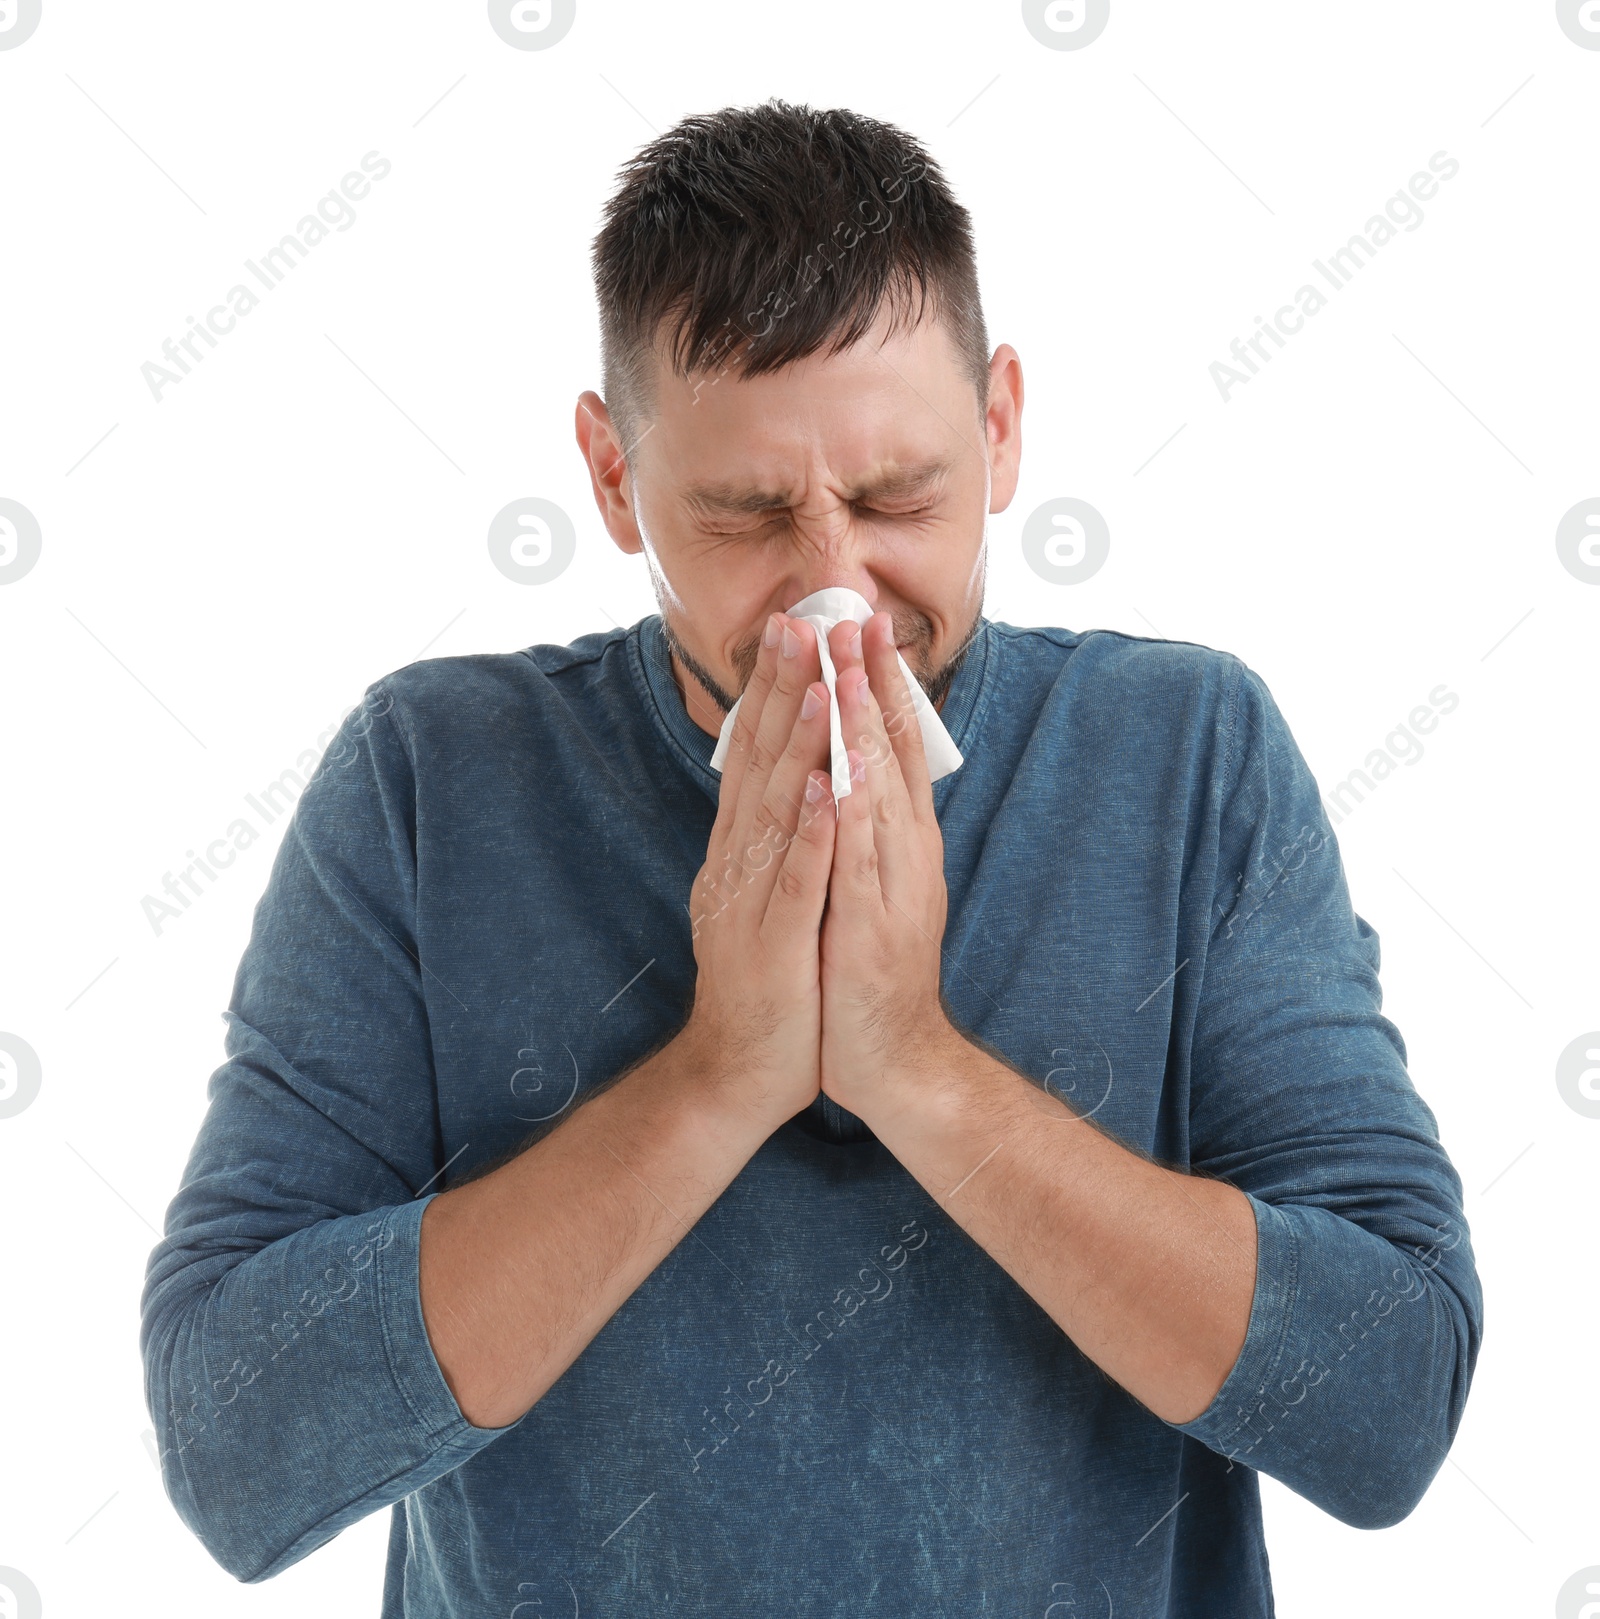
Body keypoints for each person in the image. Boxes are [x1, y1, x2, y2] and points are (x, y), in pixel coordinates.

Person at [140, 98, 1482, 1617]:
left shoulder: (1187, 753)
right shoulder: (430, 781)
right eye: (747, 514)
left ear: (1002, 430)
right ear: (607, 475)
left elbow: (1390, 1413)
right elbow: (236, 1449)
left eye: (901, 496)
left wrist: (913, 1063)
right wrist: (726, 1072)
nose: (835, 593)